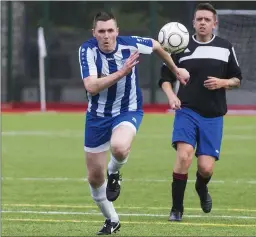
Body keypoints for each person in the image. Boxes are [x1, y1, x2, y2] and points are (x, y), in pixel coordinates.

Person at [78, 11, 189, 234]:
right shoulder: (87, 50)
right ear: (94, 33)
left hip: (128, 110)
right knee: (94, 177)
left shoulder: (130, 45)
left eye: (111, 30)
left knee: (119, 147)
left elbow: (157, 45)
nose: (106, 36)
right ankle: (112, 219)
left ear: (117, 31)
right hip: (97, 116)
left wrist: (175, 70)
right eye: (101, 31)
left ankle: (115, 172)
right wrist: (122, 72)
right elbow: (91, 86)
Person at [158, 3, 242, 221]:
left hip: (213, 115)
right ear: (193, 23)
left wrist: (223, 82)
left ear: (215, 23)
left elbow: (237, 80)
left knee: (205, 168)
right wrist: (172, 96)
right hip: (187, 111)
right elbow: (165, 79)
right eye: (199, 19)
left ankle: (201, 187)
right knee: (184, 156)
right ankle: (177, 209)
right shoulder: (180, 47)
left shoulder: (225, 47)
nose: (203, 23)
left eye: (207, 19)